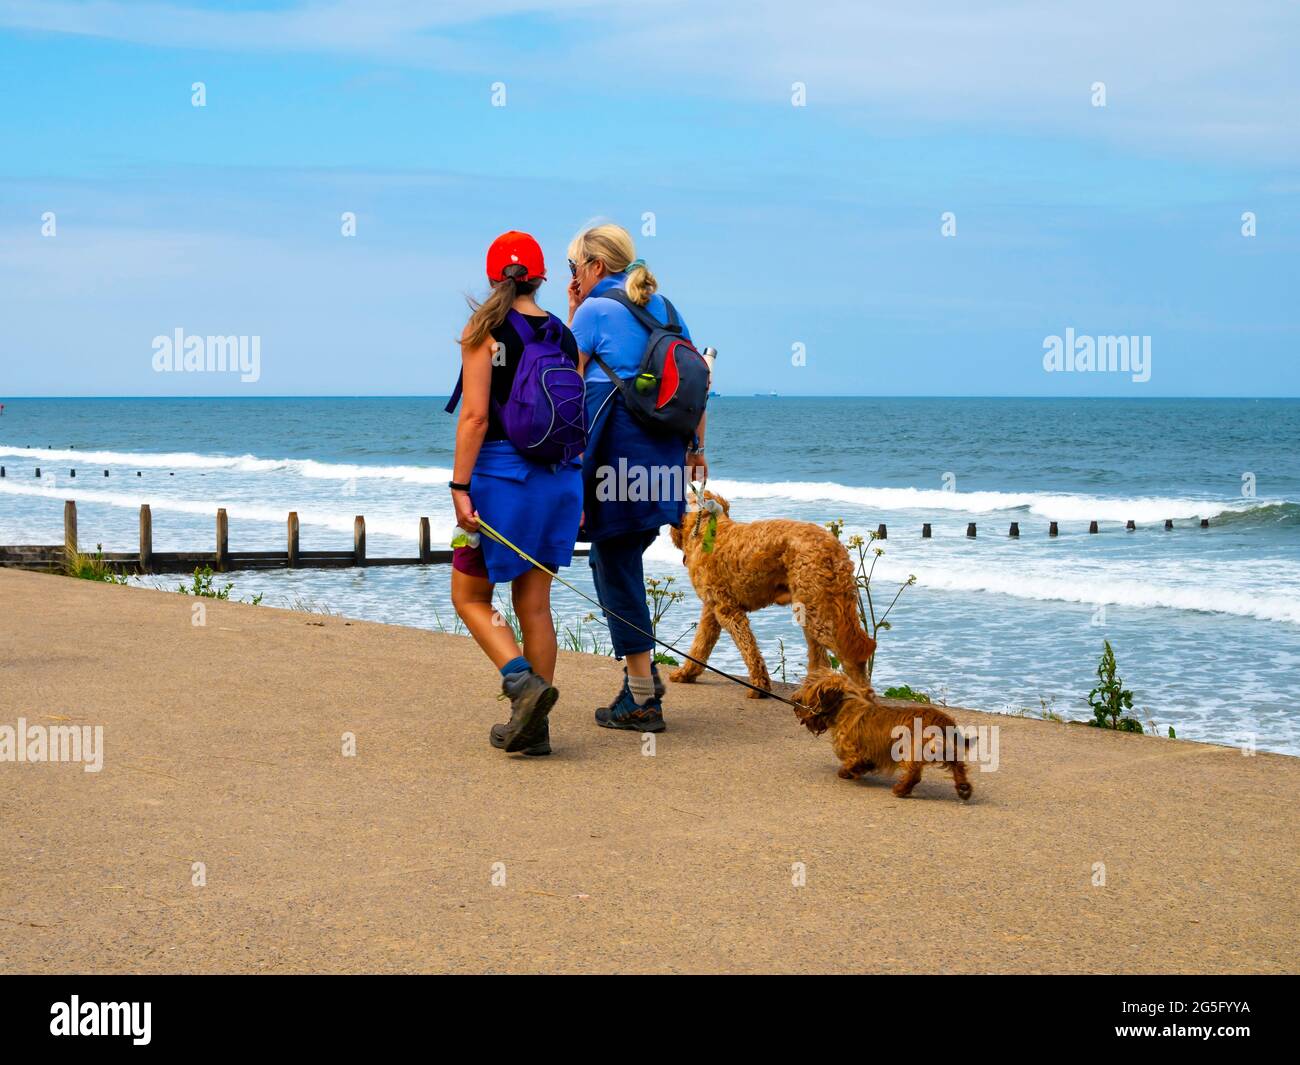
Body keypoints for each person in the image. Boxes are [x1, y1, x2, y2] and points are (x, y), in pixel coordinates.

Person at [448, 231, 584, 757]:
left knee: (469, 596)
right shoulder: (563, 335)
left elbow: (476, 416)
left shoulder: (483, 329)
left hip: (502, 483)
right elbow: (571, 417)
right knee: (535, 605)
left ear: (491, 277)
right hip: (559, 481)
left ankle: (522, 683)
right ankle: (534, 730)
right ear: (540, 277)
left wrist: (460, 486)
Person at [568, 222, 707, 732]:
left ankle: (644, 696)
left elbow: (562, 380)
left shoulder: (593, 311)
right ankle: (640, 682)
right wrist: (696, 448)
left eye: (574, 268)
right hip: (665, 456)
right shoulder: (668, 309)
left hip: (617, 453)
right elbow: (697, 381)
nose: (573, 277)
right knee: (617, 560)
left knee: (614, 560)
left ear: (595, 266)